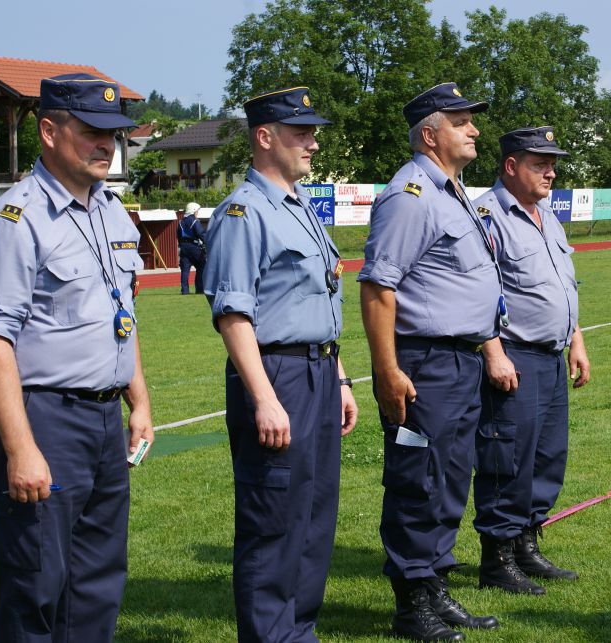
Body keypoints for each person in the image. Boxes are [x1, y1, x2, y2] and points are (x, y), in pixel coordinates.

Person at [0, 73, 154, 642]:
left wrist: (137, 399)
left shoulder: (110, 211)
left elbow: (123, 311)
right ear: (48, 131)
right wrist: (21, 448)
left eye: (114, 135)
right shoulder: (15, 221)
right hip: (45, 417)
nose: (107, 145)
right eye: (93, 131)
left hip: (102, 419)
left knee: (97, 579)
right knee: (35, 580)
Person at [202, 86, 358, 643]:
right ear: (264, 137)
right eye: (301, 133)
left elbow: (318, 302)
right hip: (276, 375)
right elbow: (233, 315)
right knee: (273, 520)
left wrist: (338, 377)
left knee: (314, 514)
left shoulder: (298, 206)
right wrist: (265, 397)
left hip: (316, 372)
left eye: (313, 132)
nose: (313, 143)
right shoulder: (244, 213)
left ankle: (299, 631)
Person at [358, 82, 502, 642]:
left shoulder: (452, 192)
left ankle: (436, 584)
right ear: (429, 133)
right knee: (417, 478)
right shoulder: (411, 195)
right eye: (462, 121)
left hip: (459, 362)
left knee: (448, 480)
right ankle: (412, 599)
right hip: (424, 364)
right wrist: (388, 370)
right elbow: (377, 288)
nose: (475, 130)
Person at [471, 126, 590, 597]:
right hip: (513, 356)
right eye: (540, 163)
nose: (551, 172)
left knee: (546, 456)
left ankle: (526, 543)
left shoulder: (548, 218)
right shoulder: (485, 215)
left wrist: (576, 340)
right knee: (507, 457)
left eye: (552, 163)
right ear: (510, 166)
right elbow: (478, 291)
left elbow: (566, 286)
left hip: (551, 355)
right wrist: (494, 353)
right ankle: (497, 557)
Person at [178, 201, 206, 294]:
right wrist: (208, 243)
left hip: (184, 248)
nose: (197, 213)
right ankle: (199, 289)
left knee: (185, 270)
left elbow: (178, 236)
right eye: (197, 211)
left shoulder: (180, 222)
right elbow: (201, 233)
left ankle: (185, 291)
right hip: (194, 247)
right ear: (193, 211)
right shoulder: (194, 221)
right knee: (201, 266)